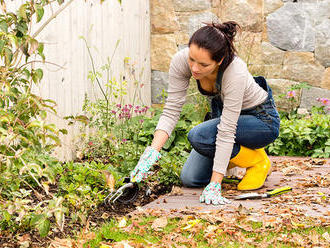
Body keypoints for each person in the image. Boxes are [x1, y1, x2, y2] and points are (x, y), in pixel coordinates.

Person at [130, 21, 280, 205]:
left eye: (203, 64)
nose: (194, 68)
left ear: (220, 60)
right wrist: (151, 152)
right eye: (191, 59)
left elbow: (226, 131)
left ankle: (258, 161)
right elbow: (171, 110)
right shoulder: (181, 61)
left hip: (260, 121)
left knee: (199, 136)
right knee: (191, 178)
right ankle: (239, 158)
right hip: (225, 119)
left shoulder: (235, 71)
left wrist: (215, 184)